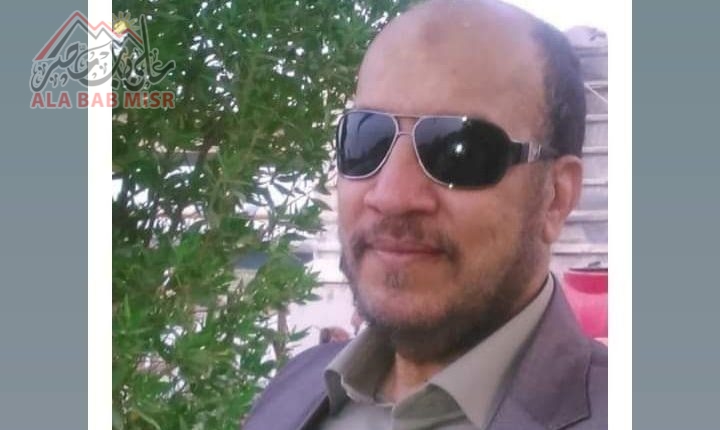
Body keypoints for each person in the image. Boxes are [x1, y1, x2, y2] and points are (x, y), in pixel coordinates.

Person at [242, 0, 607, 429]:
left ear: (556, 197)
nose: (391, 196)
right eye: (367, 139)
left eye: (459, 150)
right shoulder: (294, 385)